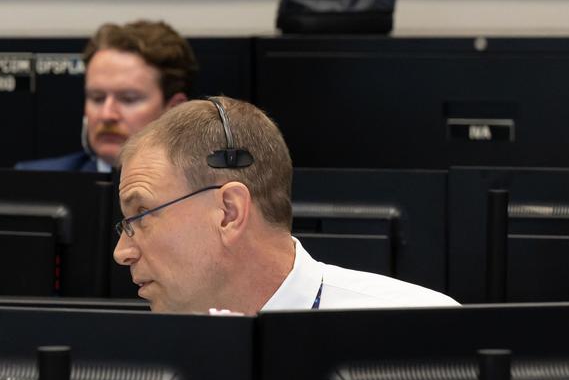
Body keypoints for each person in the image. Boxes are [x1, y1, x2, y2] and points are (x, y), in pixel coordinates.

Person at [113, 96, 458, 313]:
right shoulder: (138, 353)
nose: (121, 252)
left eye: (141, 215)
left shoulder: (417, 324)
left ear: (229, 213)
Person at [18, 20, 198, 173]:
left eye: (128, 99)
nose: (106, 115)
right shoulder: (34, 183)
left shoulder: (206, 196)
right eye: (97, 98)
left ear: (174, 110)